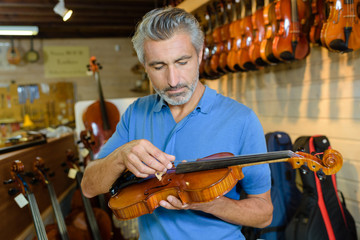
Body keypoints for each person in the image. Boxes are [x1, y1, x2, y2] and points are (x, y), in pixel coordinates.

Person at [81, 7, 273, 240]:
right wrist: (120, 156)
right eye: (158, 66)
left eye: (182, 62)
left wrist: (206, 203)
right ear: (145, 67)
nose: (173, 80)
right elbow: (88, 186)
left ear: (200, 54)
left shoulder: (241, 119)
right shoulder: (136, 113)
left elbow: (264, 214)